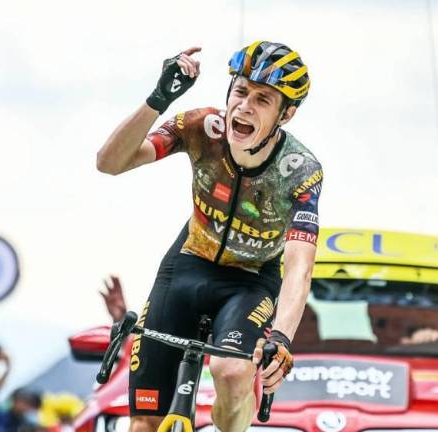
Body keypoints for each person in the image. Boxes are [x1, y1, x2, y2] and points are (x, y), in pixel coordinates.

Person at [97, 41, 321, 432]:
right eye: (241, 92)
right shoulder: (202, 127)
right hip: (187, 266)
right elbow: (109, 163)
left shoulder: (300, 171)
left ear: (286, 114)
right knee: (144, 422)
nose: (245, 106)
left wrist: (282, 339)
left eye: (263, 100)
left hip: (250, 281)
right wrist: (157, 100)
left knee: (231, 372)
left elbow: (300, 267)